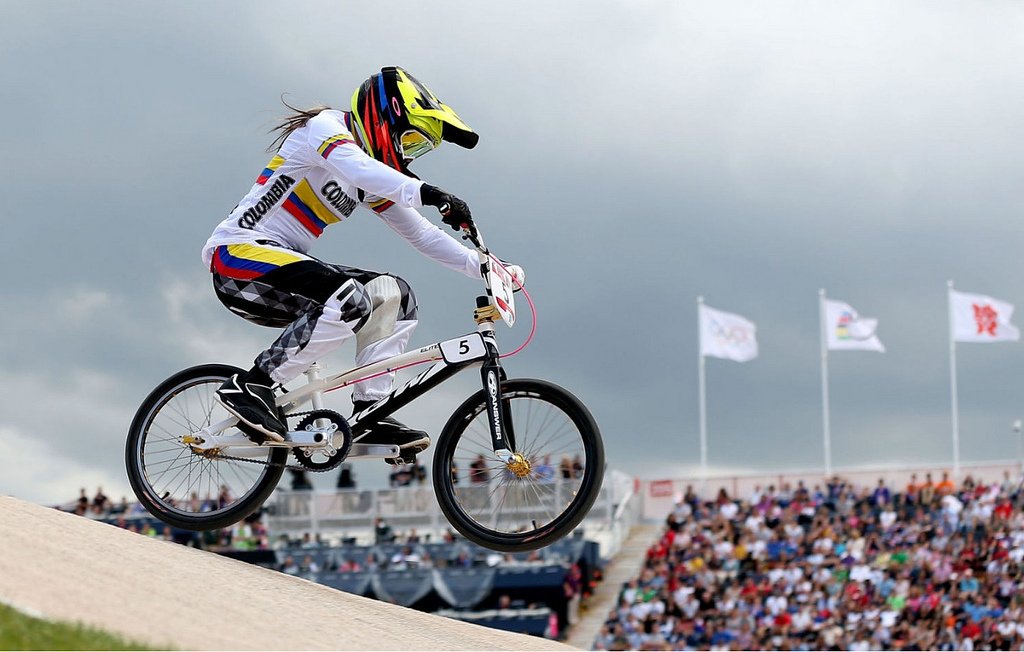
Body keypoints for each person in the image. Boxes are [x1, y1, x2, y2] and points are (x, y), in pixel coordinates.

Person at [202, 66, 523, 463]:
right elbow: (358, 168)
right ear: (382, 116)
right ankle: (252, 385)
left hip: (283, 269)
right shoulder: (326, 128)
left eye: (417, 149)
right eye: (408, 139)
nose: (407, 154)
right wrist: (429, 191)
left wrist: (488, 266)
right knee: (349, 298)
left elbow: (421, 235)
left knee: (394, 294)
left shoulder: (370, 176)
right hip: (238, 256)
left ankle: (371, 410)